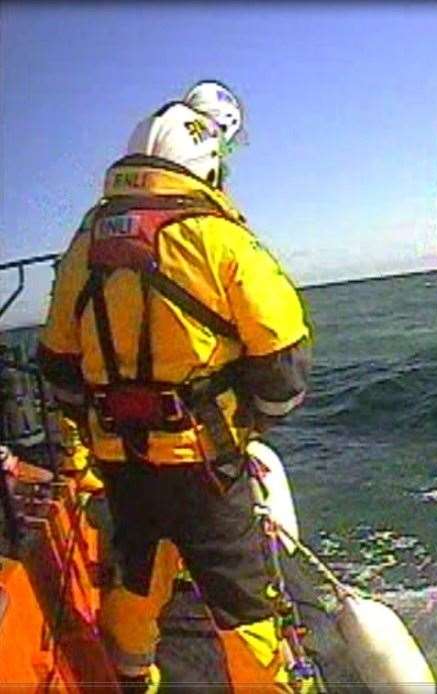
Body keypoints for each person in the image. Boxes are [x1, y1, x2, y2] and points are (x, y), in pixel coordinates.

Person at [36, 81, 312, 692]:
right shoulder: (221, 239)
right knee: (243, 600)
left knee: (138, 570)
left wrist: (97, 430)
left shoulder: (82, 248)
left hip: (120, 460)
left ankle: (130, 677)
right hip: (204, 465)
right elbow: (285, 360)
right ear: (208, 167)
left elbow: (57, 363)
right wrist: (251, 423)